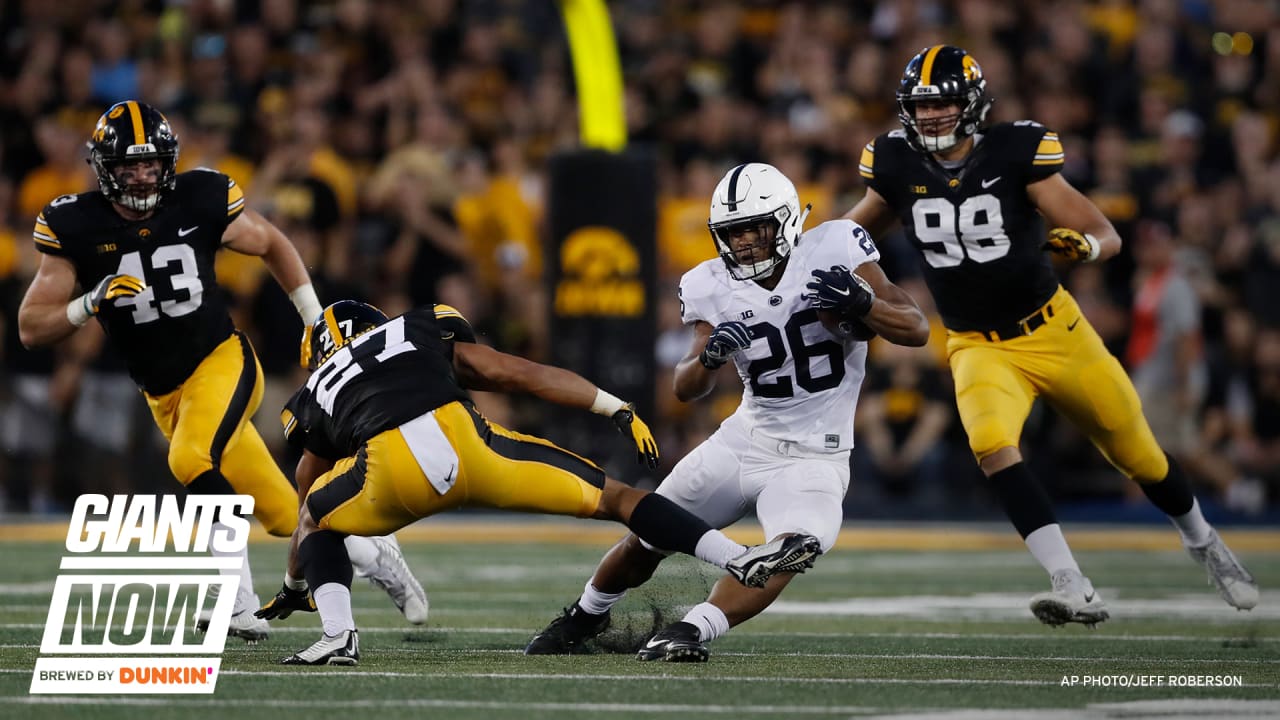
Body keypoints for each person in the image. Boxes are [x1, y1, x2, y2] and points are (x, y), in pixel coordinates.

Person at [843, 46, 1258, 626]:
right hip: (975, 342)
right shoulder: (893, 163)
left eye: (944, 103)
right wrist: (808, 254)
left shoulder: (1015, 152)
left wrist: (1087, 247)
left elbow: (1104, 232)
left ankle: (1203, 539)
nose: (933, 115)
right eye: (922, 105)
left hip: (1055, 331)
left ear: (973, 104)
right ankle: (1069, 581)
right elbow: (847, 234)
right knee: (991, 446)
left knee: (1138, 453)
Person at [17, 100, 428, 641]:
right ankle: (376, 551)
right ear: (104, 169)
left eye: (150, 165)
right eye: (128, 167)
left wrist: (314, 319)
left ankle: (236, 602)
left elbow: (274, 243)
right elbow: (31, 325)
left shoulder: (200, 196)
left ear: (168, 164)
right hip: (165, 394)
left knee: (188, 457)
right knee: (288, 515)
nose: (141, 177)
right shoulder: (76, 224)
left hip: (222, 360)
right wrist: (88, 301)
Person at [254, 299, 824, 666]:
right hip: (473, 446)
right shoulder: (417, 328)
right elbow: (511, 373)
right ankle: (738, 557)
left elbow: (308, 491)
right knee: (622, 500)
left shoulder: (316, 389)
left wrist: (295, 582)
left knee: (321, 519)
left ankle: (336, 635)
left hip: (389, 472)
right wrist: (613, 407)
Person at [525, 162, 930, 662]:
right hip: (744, 440)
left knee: (792, 549)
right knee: (649, 533)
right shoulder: (710, 283)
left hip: (815, 455)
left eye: (753, 230)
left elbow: (915, 328)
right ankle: (583, 617)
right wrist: (710, 356)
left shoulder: (836, 246)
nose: (742, 245)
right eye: (732, 234)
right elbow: (685, 387)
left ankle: (694, 629)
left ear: (783, 222)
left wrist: (864, 302)